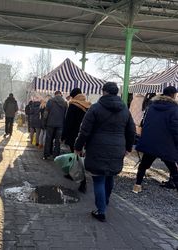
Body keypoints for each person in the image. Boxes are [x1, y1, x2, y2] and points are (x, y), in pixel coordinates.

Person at [75, 82, 135, 222]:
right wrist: (128, 148)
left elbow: (84, 131)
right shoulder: (125, 109)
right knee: (110, 176)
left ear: (104, 92)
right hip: (118, 147)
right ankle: (105, 201)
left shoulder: (95, 108)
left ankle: (101, 211)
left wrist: (78, 146)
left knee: (99, 178)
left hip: (97, 147)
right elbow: (131, 131)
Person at [133, 86, 178, 193]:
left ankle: (137, 186)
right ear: (173, 95)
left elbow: (144, 123)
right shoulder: (174, 109)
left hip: (151, 142)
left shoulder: (151, 106)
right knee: (173, 168)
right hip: (166, 143)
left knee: (143, 165)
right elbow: (175, 129)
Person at [62, 88, 91, 152]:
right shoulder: (88, 105)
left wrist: (63, 136)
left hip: (73, 135)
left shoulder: (73, 105)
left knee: (74, 156)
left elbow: (68, 122)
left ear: (74, 96)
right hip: (84, 135)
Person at [43, 91, 67, 160]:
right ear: (61, 95)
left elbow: (46, 113)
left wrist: (44, 122)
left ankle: (46, 155)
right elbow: (65, 115)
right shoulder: (65, 103)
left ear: (55, 94)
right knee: (57, 141)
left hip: (50, 123)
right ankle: (56, 156)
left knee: (48, 139)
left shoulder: (50, 101)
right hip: (60, 125)